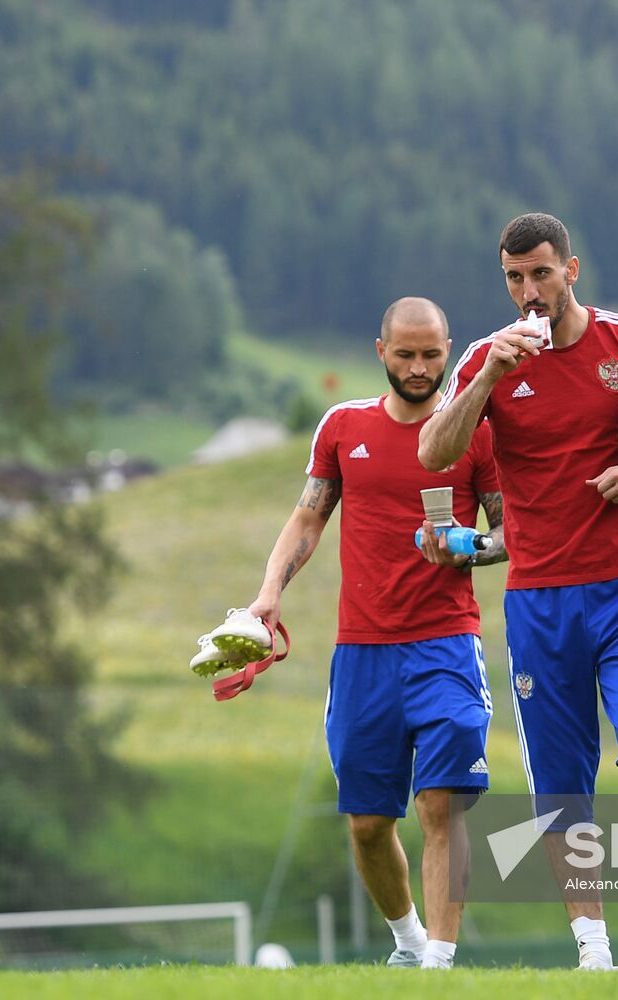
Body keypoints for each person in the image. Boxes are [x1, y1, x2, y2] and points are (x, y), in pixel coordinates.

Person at [418, 213, 618, 972]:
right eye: (514, 279)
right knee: (561, 782)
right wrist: (489, 373)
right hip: (538, 598)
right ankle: (592, 950)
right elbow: (434, 451)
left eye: (541, 275)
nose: (529, 292)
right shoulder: (488, 362)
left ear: (571, 270)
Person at [203, 296, 507, 970]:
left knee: (442, 806)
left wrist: (470, 548)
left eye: (432, 354)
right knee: (369, 824)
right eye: (406, 354)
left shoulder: (475, 435)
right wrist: (267, 597)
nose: (420, 367)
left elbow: (510, 532)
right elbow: (308, 518)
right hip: (362, 652)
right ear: (381, 353)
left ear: (448, 350)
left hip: (446, 645)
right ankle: (408, 944)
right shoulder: (343, 427)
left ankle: (441, 965)